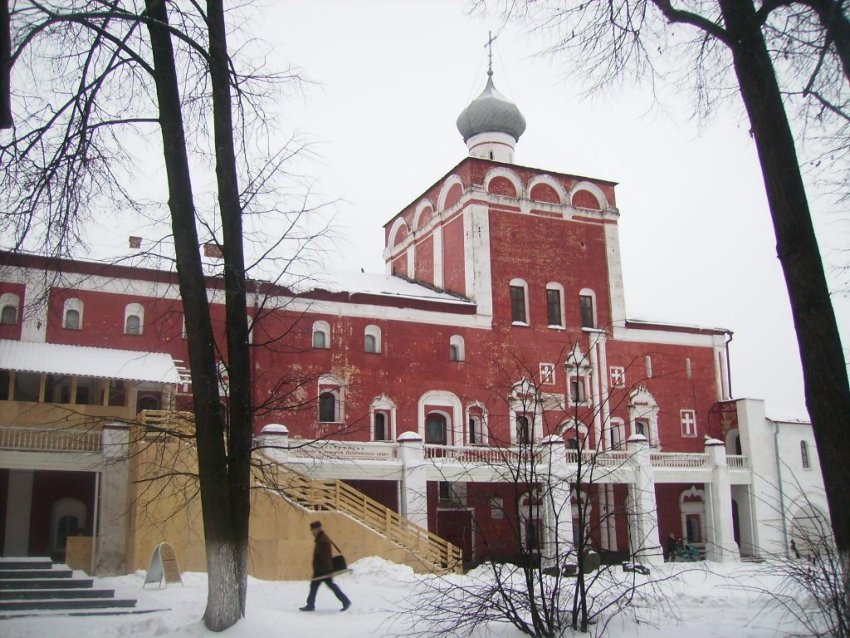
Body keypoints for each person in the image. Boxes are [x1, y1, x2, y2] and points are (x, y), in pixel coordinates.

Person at [299, 521, 351, 612]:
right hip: (322, 568)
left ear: (318, 529)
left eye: (313, 529)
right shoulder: (321, 539)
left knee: (317, 586)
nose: (312, 532)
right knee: (320, 586)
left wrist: (328, 570)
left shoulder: (322, 540)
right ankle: (345, 601)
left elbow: (326, 556)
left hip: (322, 569)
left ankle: (310, 605)